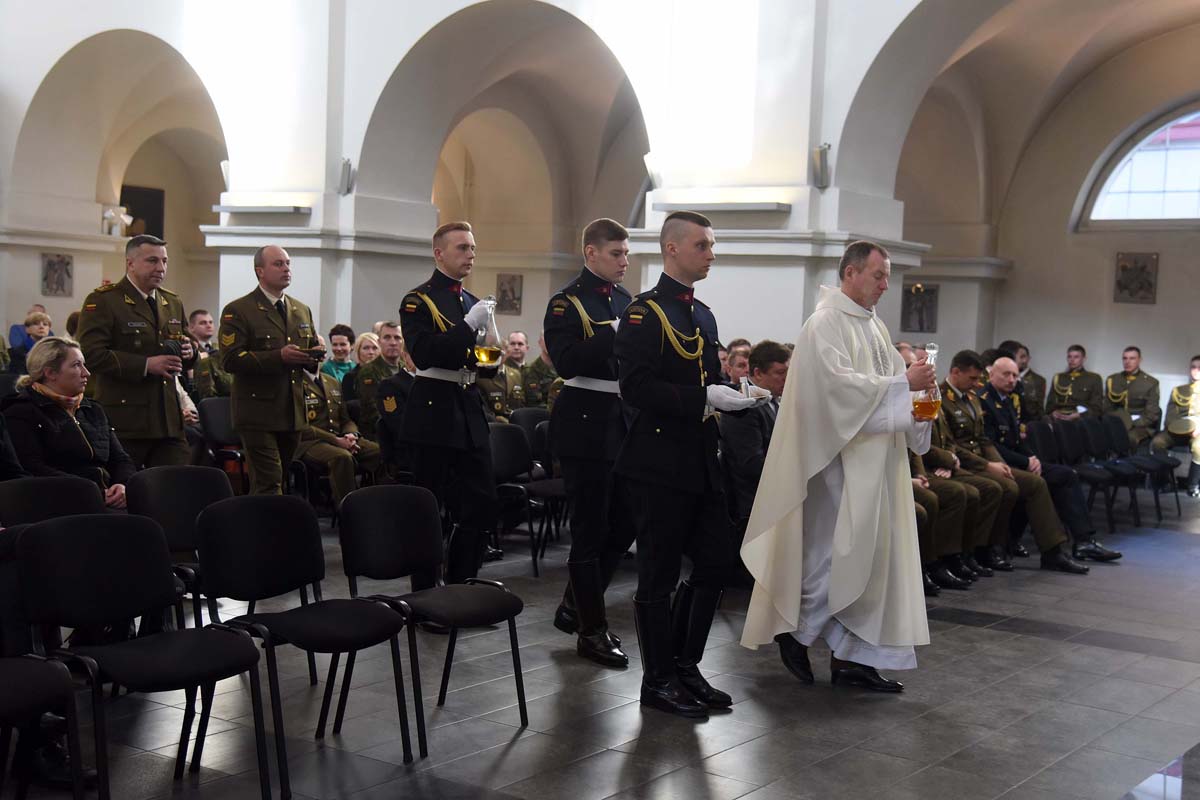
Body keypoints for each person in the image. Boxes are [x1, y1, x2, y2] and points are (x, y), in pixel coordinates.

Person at [741, 240, 935, 694]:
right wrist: (902, 383)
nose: (886, 285)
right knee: (834, 557)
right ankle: (796, 630)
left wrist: (921, 393)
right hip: (837, 463)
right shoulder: (824, 323)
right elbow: (836, 391)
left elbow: (888, 390)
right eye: (878, 275)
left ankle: (856, 659)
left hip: (877, 464)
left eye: (887, 276)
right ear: (850, 273)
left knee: (875, 561)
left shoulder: (875, 327)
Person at [615, 210, 761, 718]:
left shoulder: (702, 315)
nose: (711, 253)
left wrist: (733, 395)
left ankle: (685, 664)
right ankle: (657, 680)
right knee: (656, 575)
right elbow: (635, 388)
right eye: (703, 245)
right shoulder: (644, 313)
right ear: (672, 248)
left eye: (712, 245)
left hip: (699, 459)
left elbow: (705, 382)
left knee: (717, 561)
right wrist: (704, 396)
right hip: (657, 461)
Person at [544, 218, 636, 668]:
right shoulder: (566, 303)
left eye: (626, 253)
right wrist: (611, 334)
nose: (624, 261)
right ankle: (591, 630)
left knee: (623, 524)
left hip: (620, 421)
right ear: (591, 253)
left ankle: (574, 604)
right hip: (583, 420)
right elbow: (566, 360)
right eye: (616, 253)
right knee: (589, 529)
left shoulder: (625, 300)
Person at [398, 221, 499, 591]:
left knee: (480, 504)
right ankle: (426, 594)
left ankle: (461, 585)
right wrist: (467, 327)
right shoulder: (418, 300)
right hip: (433, 410)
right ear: (439, 253)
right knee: (429, 509)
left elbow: (477, 357)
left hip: (468, 407)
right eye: (462, 248)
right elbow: (424, 355)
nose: (470, 254)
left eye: (472, 247)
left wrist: (491, 360)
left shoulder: (472, 302)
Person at [941, 350, 1089, 573]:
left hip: (985, 460)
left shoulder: (971, 398)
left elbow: (983, 439)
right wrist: (990, 465)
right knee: (1010, 486)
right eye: (972, 378)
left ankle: (1050, 551)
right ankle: (986, 549)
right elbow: (951, 444)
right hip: (966, 463)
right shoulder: (942, 397)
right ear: (955, 372)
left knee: (1028, 482)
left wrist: (1002, 464)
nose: (976, 383)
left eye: (1015, 375)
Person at [984, 356, 1121, 562]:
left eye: (1014, 375)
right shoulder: (984, 400)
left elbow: (1017, 438)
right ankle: (1045, 548)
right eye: (1006, 374)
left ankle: (1083, 541)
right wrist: (1025, 461)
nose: (1012, 379)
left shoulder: (1008, 400)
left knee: (1066, 475)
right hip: (998, 463)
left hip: (1017, 460)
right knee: (1037, 483)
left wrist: (1032, 457)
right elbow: (991, 445)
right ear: (991, 374)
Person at [77, 234, 195, 467]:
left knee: (176, 488)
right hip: (127, 418)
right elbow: (91, 355)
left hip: (168, 420)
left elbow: (185, 347)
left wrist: (190, 352)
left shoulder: (171, 302)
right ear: (130, 263)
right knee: (127, 492)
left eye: (164, 261)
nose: (161, 267)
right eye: (152, 260)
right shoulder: (105, 300)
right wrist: (145, 365)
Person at [218, 244, 318, 495]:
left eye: (288, 263)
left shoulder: (300, 309)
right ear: (259, 271)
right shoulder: (239, 310)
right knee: (269, 481)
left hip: (292, 411)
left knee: (280, 480)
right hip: (257, 413)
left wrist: (314, 355)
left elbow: (308, 356)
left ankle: (265, 528)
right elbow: (230, 360)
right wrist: (279, 357)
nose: (286, 269)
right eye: (278, 264)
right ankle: (263, 532)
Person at [2, 337, 133, 507]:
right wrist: (91, 491)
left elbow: (120, 458)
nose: (86, 372)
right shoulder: (21, 412)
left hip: (110, 500)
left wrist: (122, 485)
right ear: (50, 373)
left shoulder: (92, 409)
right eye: (76, 365)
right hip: (63, 504)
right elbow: (33, 468)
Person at [720, 340, 789, 532]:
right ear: (758, 373)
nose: (786, 379)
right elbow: (751, 463)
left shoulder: (773, 400)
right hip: (750, 508)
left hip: (769, 499)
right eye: (780, 373)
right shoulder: (744, 405)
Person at [296, 364, 381, 507]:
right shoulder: (295, 383)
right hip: (310, 442)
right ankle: (348, 510)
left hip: (340, 437)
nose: (318, 355)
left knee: (378, 451)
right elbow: (301, 427)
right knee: (342, 457)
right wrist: (336, 440)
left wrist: (351, 434)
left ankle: (380, 504)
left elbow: (345, 419)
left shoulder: (332, 382)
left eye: (322, 351)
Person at [1150, 355, 1200, 497]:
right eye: (1193, 367)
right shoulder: (1179, 390)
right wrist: (1181, 429)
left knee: (1199, 447)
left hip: (1198, 432)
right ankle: (1167, 482)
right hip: (1177, 430)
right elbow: (1170, 415)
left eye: (1199, 367)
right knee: (1158, 442)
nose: (1196, 370)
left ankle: (1193, 485)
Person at [1103, 346, 1161, 449]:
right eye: (1125, 358)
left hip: (1139, 426)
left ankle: (1126, 464)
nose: (1127, 362)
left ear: (1140, 360)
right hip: (1116, 421)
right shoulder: (1113, 379)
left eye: (1132, 358)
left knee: (1128, 437)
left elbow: (1152, 414)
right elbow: (1107, 407)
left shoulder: (1150, 383)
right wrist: (1116, 422)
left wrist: (1129, 423)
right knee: (1096, 433)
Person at [355, 321, 405, 439]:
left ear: (403, 342)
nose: (393, 343)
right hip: (379, 433)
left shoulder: (407, 368)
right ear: (379, 342)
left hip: (404, 429)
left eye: (397, 338)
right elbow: (373, 410)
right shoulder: (369, 371)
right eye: (387, 338)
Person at [476, 332, 525, 421]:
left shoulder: (516, 374)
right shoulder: (481, 376)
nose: (500, 354)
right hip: (494, 424)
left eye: (502, 350)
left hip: (516, 422)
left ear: (508, 352)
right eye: (496, 350)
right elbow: (483, 407)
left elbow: (522, 402)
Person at [1047, 344, 1103, 420]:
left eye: (1076, 357)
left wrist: (1080, 415)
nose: (1072, 360)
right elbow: (1050, 404)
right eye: (1069, 356)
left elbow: (1097, 408)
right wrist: (1053, 412)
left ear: (1084, 359)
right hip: (1059, 419)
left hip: (1081, 420)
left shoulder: (1094, 378)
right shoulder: (1058, 377)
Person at [998, 339, 1045, 424]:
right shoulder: (997, 377)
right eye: (1021, 357)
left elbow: (1037, 410)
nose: (1024, 361)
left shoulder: (1036, 380)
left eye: (1025, 357)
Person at [8, 311, 51, 375]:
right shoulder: (18, 352)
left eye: (45, 324)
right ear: (27, 329)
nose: (41, 327)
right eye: (36, 324)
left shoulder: (54, 350)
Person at [521, 334, 559, 408]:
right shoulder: (531, 370)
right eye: (547, 339)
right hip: (542, 415)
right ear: (540, 342)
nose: (550, 343)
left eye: (553, 339)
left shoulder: (563, 367)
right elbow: (534, 403)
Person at [341, 332, 380, 402]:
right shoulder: (350, 377)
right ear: (358, 351)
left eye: (375, 348)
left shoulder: (387, 373)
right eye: (366, 348)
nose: (371, 352)